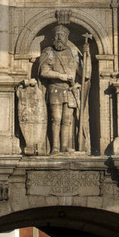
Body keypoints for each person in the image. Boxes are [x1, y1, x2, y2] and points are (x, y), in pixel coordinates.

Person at [37, 25, 83, 153]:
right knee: (55, 118)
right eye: (56, 35)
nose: (58, 38)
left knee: (67, 120)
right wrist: (62, 76)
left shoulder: (73, 53)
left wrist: (87, 58)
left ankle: (64, 146)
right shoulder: (48, 52)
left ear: (66, 38)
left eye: (61, 35)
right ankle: (55, 147)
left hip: (70, 90)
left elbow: (84, 74)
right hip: (55, 90)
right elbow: (44, 72)